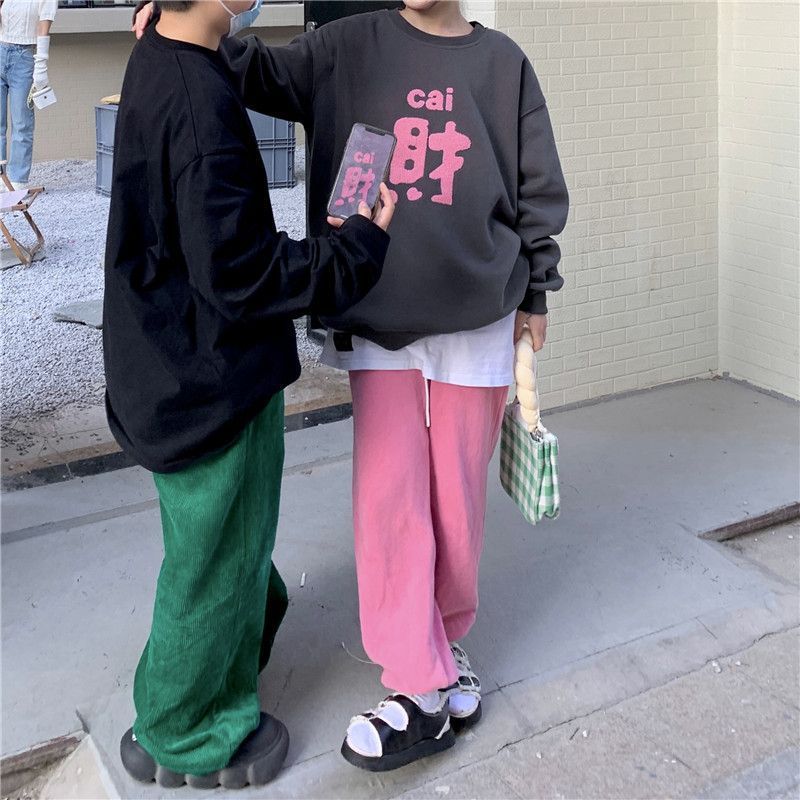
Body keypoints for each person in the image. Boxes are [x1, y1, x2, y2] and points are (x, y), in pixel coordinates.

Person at [135, 0, 569, 774]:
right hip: (377, 313)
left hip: (477, 315)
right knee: (388, 500)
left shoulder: (504, 65)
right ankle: (418, 681)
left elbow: (537, 191)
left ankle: (443, 648)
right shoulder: (344, 47)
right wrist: (178, 20)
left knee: (456, 501)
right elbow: (248, 68)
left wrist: (537, 290)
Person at [106, 0, 393, 789]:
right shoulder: (198, 103)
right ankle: (189, 730)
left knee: (215, 553)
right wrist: (357, 249)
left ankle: (203, 683)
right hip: (210, 387)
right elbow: (242, 274)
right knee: (217, 564)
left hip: (170, 368)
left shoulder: (164, 52)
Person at [0, 0, 56, 190]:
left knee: (22, 123)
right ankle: (1, 176)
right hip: (0, 49)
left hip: (24, 58)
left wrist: (41, 67)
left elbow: (43, 28)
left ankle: (17, 179)